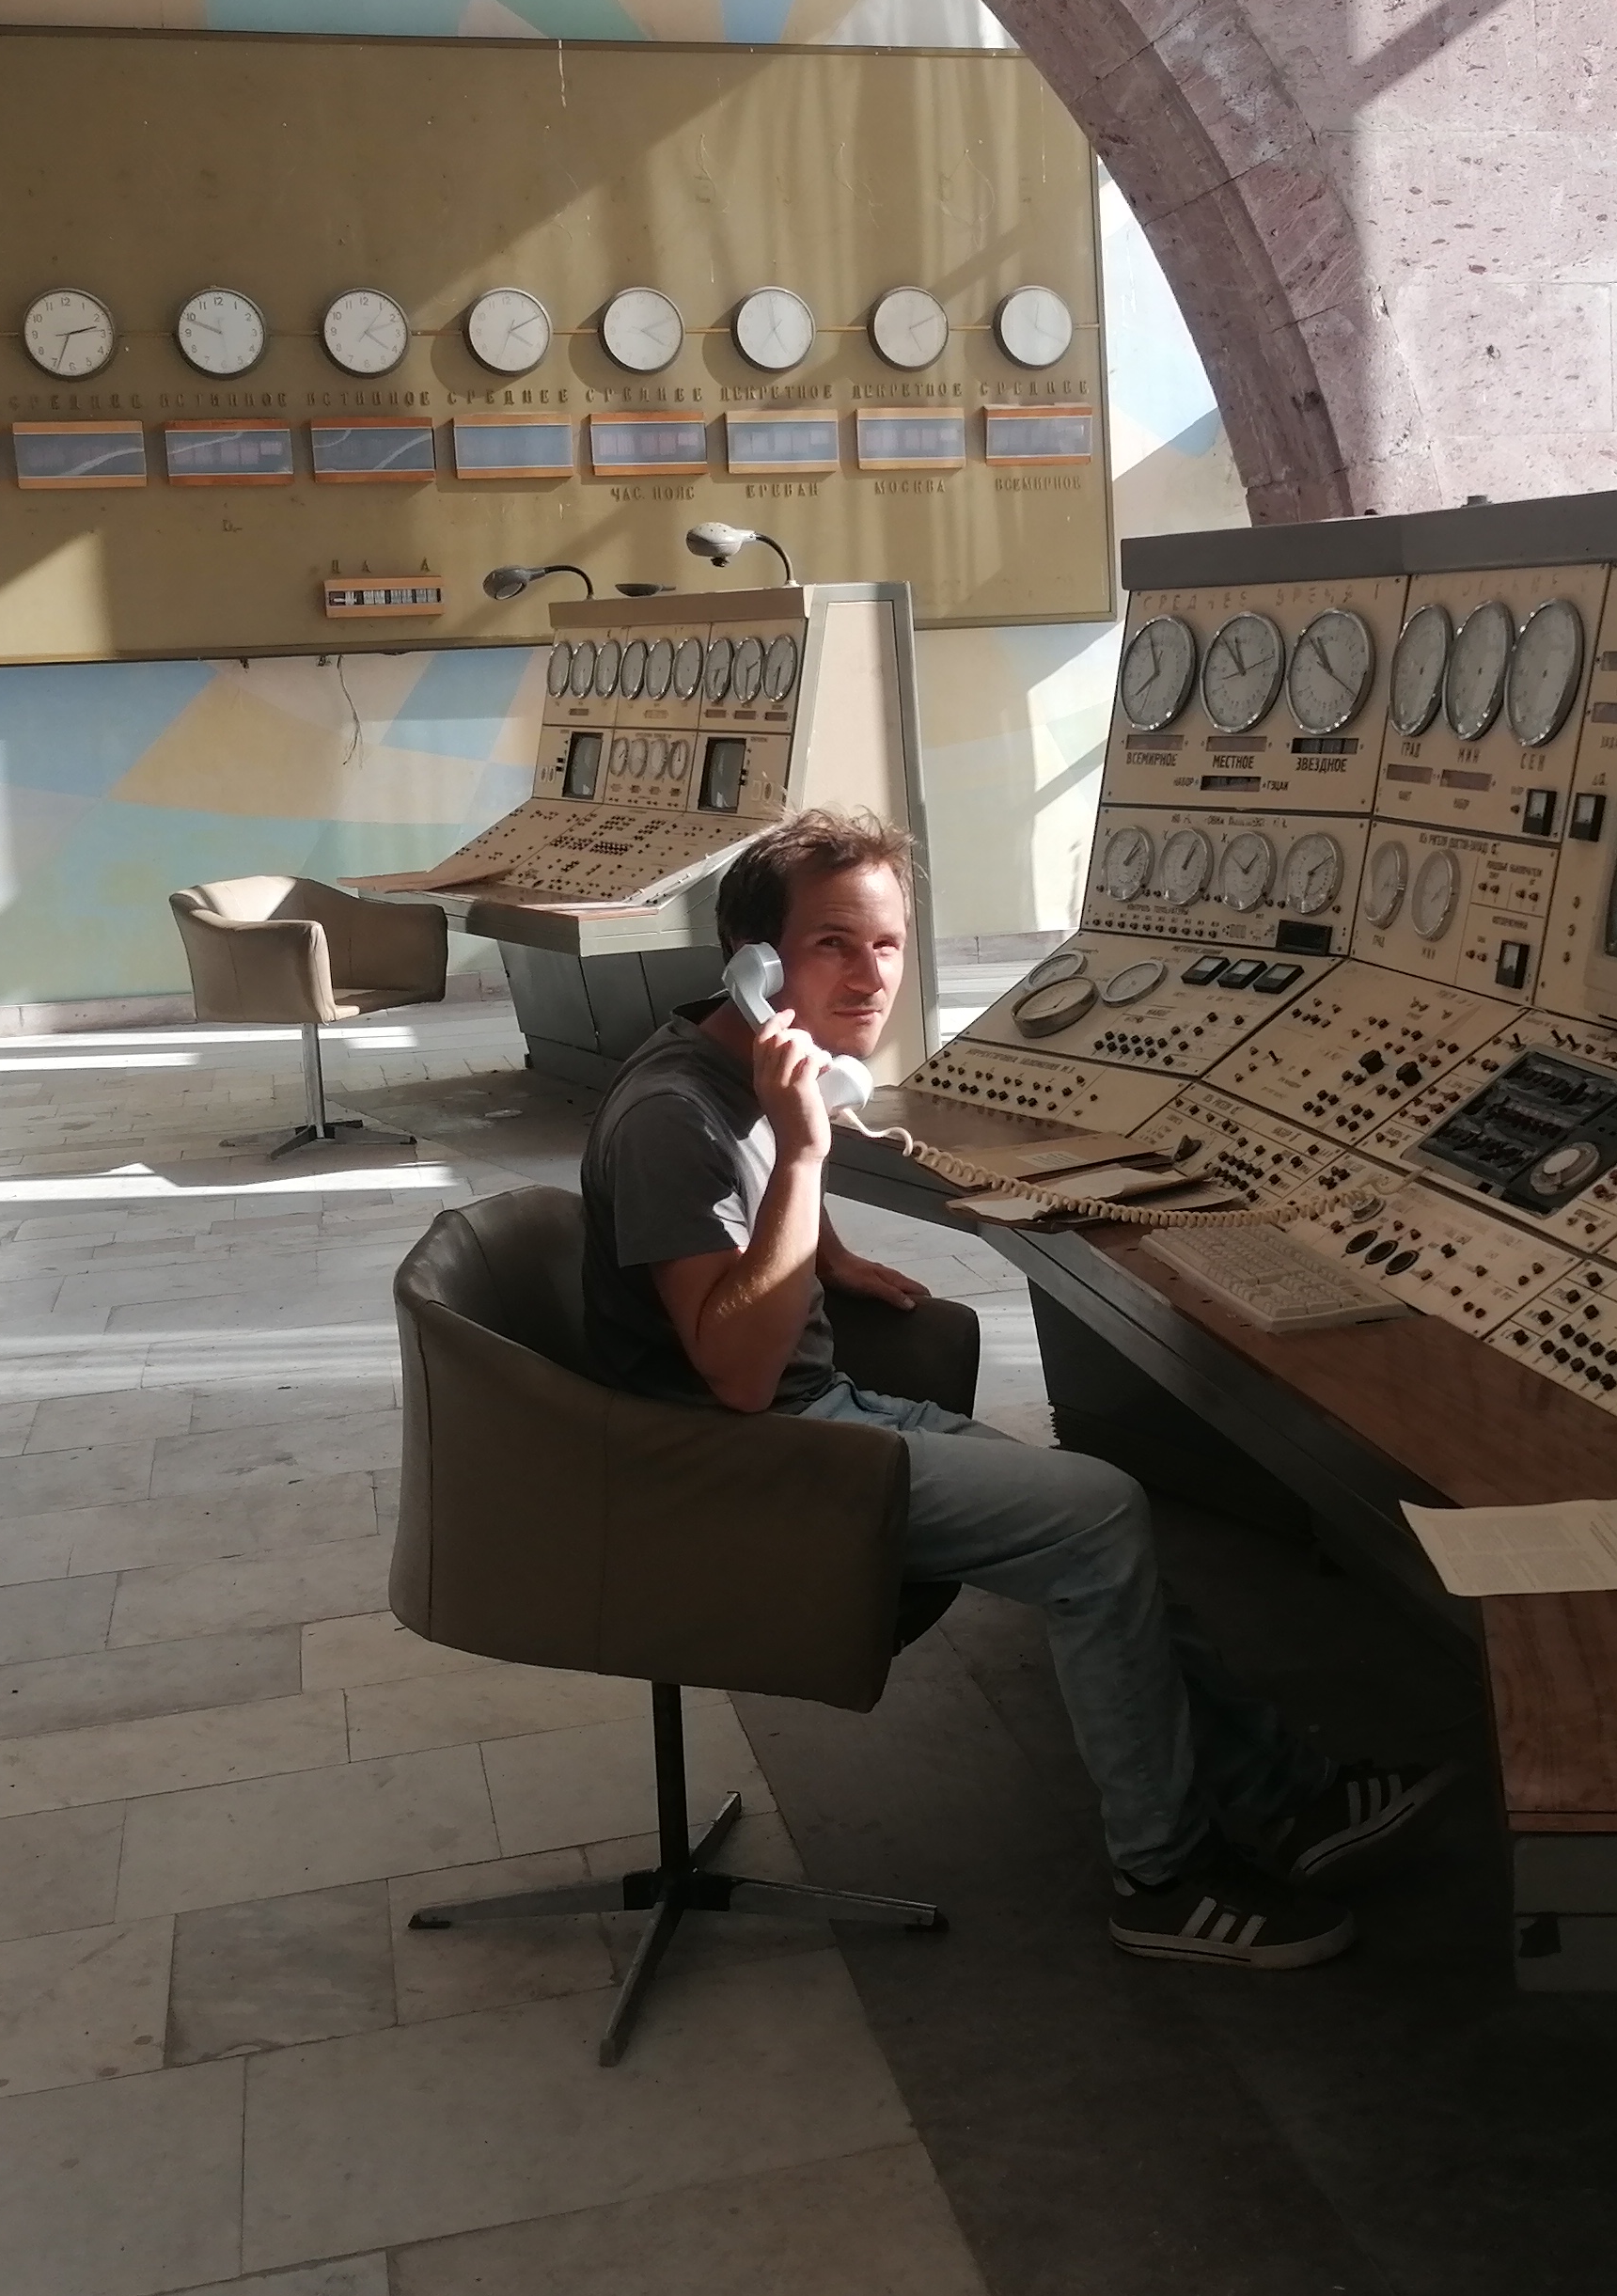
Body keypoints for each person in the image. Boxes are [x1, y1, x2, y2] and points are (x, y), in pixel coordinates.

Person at [581, 807, 1450, 1969]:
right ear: (753, 962)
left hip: (807, 1412)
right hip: (736, 1458)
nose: (870, 977)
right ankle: (1162, 1878)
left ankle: (1284, 1799)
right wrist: (806, 1155)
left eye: (887, 944)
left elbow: (731, 1223)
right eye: (833, 944)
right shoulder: (671, 1117)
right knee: (1097, 1516)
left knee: (1092, 1529)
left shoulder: (728, 1066)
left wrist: (826, 1250)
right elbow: (738, 1379)